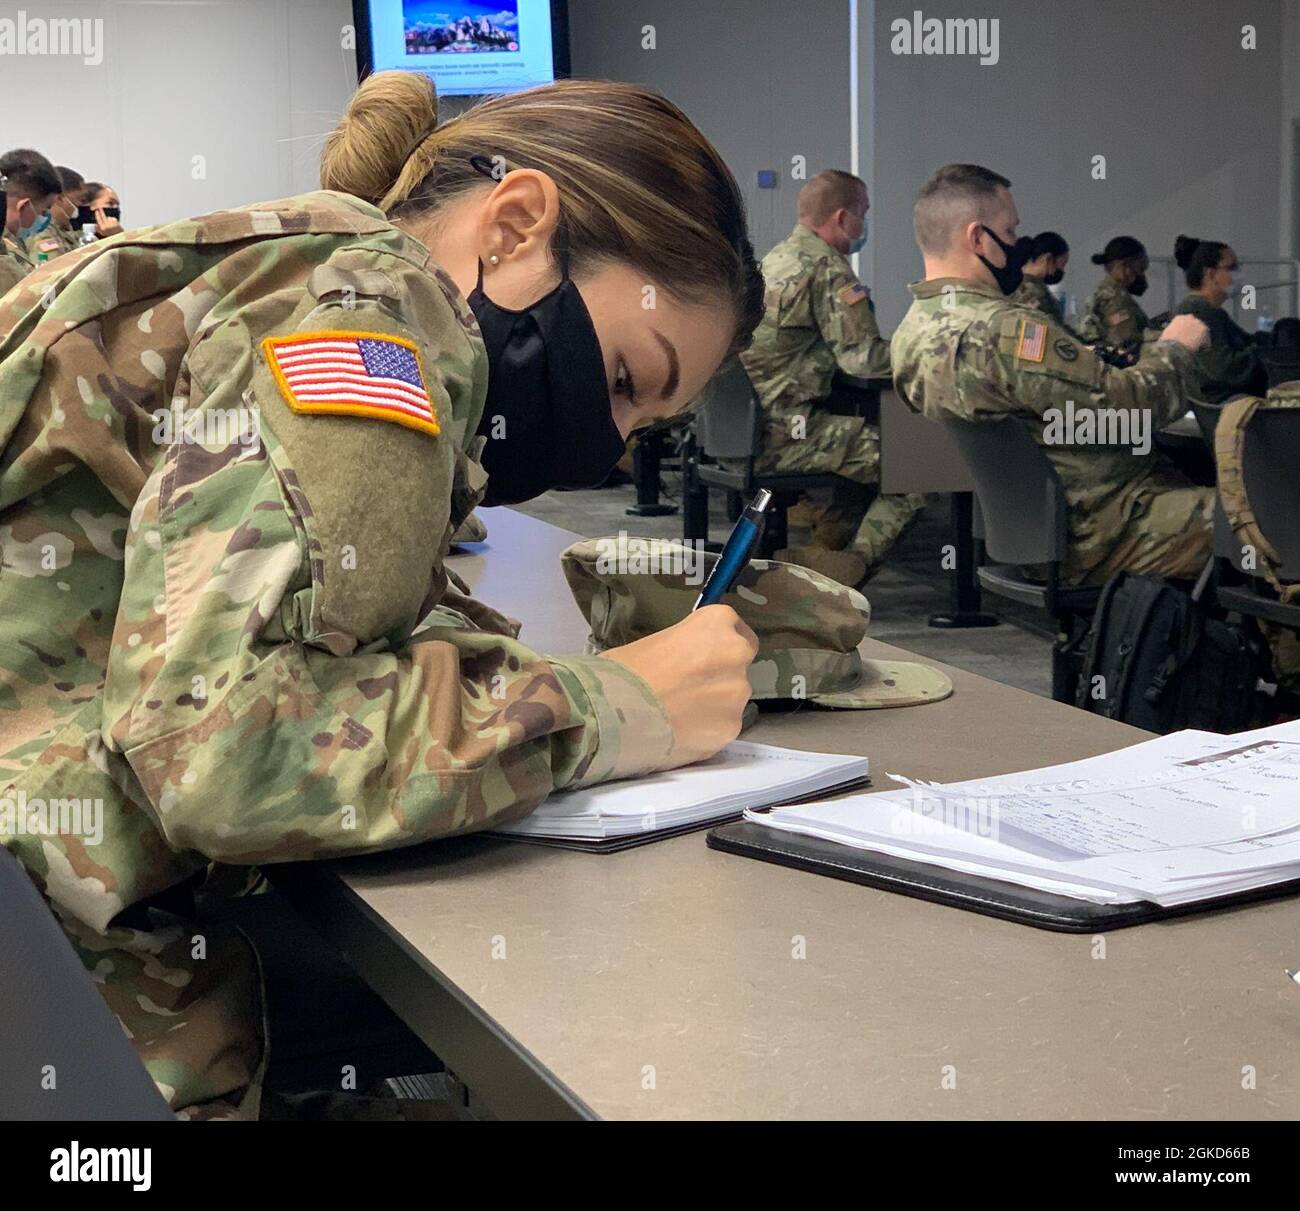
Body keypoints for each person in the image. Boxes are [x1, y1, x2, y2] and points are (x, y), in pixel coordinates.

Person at [0, 71, 764, 1119]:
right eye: (629, 378)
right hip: (83, 992)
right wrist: (616, 708)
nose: (611, 437)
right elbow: (220, 753)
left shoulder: (288, 266)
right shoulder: (375, 320)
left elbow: (319, 622)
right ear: (517, 223)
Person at [891, 163, 1213, 589]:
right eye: (1009, 233)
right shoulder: (1010, 332)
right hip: (1105, 527)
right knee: (1268, 520)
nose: (1018, 246)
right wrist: (1176, 348)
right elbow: (1128, 412)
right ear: (976, 238)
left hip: (1031, 532)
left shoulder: (909, 335)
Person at [738, 169, 923, 586]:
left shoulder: (774, 261)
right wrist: (923, 354)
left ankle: (821, 552)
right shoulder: (828, 268)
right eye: (864, 214)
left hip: (744, 432)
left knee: (860, 448)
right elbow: (863, 360)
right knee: (914, 466)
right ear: (842, 218)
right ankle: (846, 569)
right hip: (787, 435)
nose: (865, 225)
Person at [1171, 235, 1267, 404]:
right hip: (1223, 403)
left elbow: (1245, 342)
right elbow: (1226, 369)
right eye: (1232, 268)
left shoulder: (1210, 311)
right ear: (1212, 274)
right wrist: (1263, 353)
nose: (1238, 275)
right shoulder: (1198, 311)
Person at [1076, 235, 1158, 352]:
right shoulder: (1116, 299)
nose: (1141, 274)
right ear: (1124, 266)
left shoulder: (1105, 293)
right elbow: (1126, 341)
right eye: (1140, 267)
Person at [0, 148, 61, 293]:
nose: (46, 218)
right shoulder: (5, 263)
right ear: (24, 206)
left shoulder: (8, 245)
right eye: (44, 210)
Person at [1012, 230, 1069, 322]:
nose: (1062, 270)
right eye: (1062, 264)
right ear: (1048, 259)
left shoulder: (1015, 285)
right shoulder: (1035, 293)